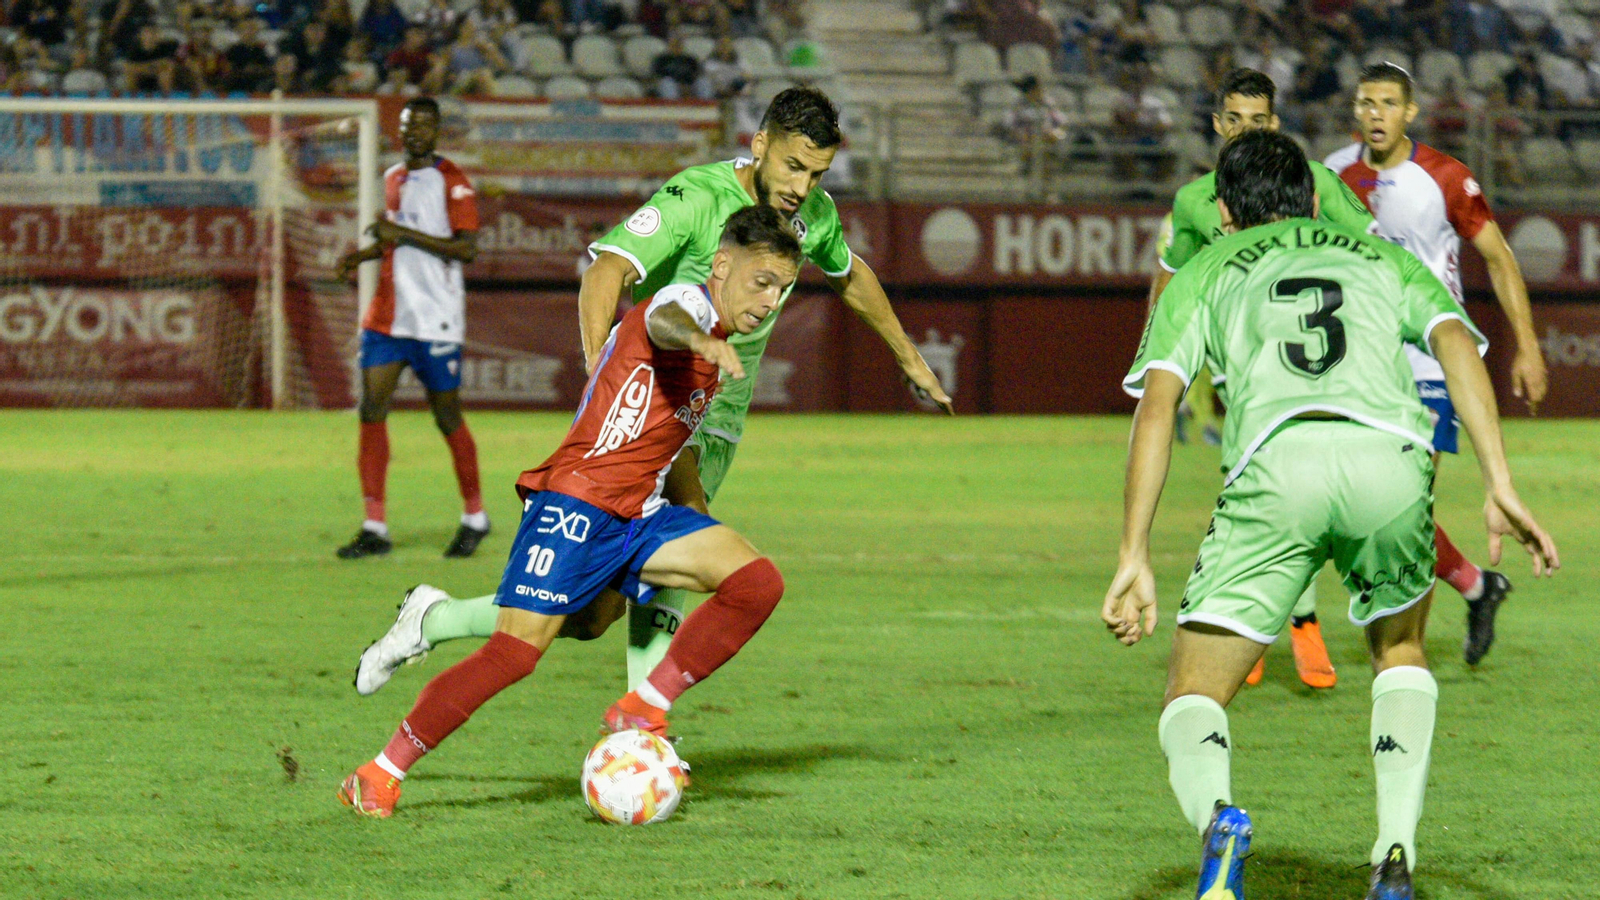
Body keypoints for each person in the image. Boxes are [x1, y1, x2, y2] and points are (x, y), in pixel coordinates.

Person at [350, 88, 951, 728]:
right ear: (759, 147)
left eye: (817, 173)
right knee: (689, 543)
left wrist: (908, 356)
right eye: (793, 167)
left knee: (590, 616)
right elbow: (608, 268)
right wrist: (599, 363)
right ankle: (643, 728)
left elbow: (849, 272)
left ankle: (433, 618)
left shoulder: (813, 217)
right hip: (656, 412)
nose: (803, 187)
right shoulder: (696, 198)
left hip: (715, 419)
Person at [1107, 129, 1559, 900]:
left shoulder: (1206, 266)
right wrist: (1498, 480)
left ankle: (1219, 820)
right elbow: (1454, 339)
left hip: (1276, 471)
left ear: (1224, 210)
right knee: (1401, 651)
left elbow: (1158, 408)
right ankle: (1391, 855)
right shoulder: (1381, 256)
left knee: (1192, 690)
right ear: (1313, 198)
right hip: (1389, 462)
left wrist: (1133, 552)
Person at [339, 206, 803, 817]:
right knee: (514, 654)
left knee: (753, 584)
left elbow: (675, 437)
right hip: (578, 502)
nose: (769, 301)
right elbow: (662, 321)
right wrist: (697, 341)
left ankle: (644, 707)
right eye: (761, 282)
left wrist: (695, 511)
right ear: (722, 266)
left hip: (640, 513)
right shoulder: (687, 306)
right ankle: (380, 771)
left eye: (782, 289)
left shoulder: (716, 345)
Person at [1149, 68, 1378, 690]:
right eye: (1235, 120)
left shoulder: (1320, 184)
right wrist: (1158, 358)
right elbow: (1171, 277)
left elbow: (1376, 251)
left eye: (1259, 121)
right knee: (1256, 479)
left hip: (1312, 355)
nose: (1245, 131)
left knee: (1281, 482)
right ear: (1218, 124)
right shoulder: (1195, 200)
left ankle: (1277, 618)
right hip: (1239, 359)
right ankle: (1286, 619)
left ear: (1273, 125)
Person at [1325, 63, 1549, 664]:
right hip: (1362, 363)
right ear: (1354, 109)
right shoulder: (1330, 175)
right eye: (1366, 102)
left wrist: (1526, 345)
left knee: (1401, 504)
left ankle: (1402, 653)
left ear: (1411, 112)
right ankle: (1477, 587)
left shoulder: (1445, 177)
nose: (1376, 114)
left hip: (1430, 361)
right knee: (1365, 508)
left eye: (1389, 103)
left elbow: (1499, 260)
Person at [335, 98, 489, 560]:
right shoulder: (392, 177)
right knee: (371, 409)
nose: (415, 133)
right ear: (397, 131)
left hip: (435, 317)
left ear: (437, 130)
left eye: (424, 125)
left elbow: (465, 250)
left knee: (446, 416)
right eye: (407, 125)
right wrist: (365, 254)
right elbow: (397, 238)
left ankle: (475, 516)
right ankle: (374, 525)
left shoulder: (452, 180)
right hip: (388, 317)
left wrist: (397, 235)